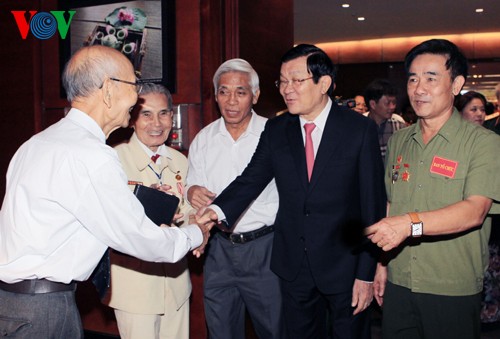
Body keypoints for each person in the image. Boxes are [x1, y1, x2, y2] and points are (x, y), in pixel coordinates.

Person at [0, 45, 209, 338]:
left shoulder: (35, 144)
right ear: (109, 89)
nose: (136, 99)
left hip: (12, 304)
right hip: (45, 311)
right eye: (134, 84)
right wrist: (197, 232)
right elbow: (138, 237)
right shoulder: (92, 154)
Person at [198, 44, 386, 339]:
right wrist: (214, 212)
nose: (287, 89)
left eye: (296, 80)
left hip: (345, 266)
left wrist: (366, 271)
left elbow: (371, 205)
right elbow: (249, 180)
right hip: (293, 265)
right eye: (282, 81)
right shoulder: (277, 129)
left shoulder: (357, 129)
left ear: (324, 83)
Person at [365, 39, 500, 339]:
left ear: (456, 84)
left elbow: (474, 211)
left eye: (431, 77)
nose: (418, 88)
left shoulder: (483, 143)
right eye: (413, 78)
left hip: (450, 285)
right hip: (399, 282)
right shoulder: (400, 140)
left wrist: (407, 225)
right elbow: (390, 204)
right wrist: (381, 265)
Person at [186, 58, 284, 338]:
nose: (231, 100)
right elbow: (194, 187)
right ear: (215, 96)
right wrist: (191, 190)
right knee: (221, 331)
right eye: (223, 91)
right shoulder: (204, 139)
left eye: (240, 92)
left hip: (265, 248)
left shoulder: (274, 134)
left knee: (274, 329)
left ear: (255, 95)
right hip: (218, 251)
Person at [104, 83, 192, 339]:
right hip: (135, 289)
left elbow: (188, 211)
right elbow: (109, 220)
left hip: (176, 284)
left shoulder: (179, 161)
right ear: (132, 118)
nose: (156, 123)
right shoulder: (114, 160)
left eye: (163, 113)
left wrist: (183, 217)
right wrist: (144, 206)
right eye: (146, 114)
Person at [363, 79, 407, 162]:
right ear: (373, 104)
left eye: (394, 102)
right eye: (387, 103)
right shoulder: (359, 127)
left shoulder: (399, 127)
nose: (392, 107)